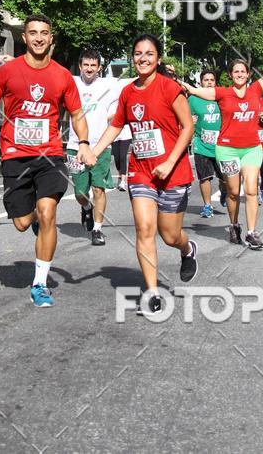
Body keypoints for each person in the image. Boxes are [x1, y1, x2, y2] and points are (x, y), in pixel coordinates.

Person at [0, 14, 93, 308]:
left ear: (51, 38)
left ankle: (40, 283)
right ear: (25, 38)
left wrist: (83, 142)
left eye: (44, 32)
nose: (39, 37)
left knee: (47, 212)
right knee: (21, 222)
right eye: (33, 33)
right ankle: (33, 222)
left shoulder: (62, 75)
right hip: (15, 155)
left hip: (50, 154)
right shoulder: (9, 71)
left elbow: (77, 114)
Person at [90, 34, 197, 316]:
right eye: (138, 53)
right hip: (141, 172)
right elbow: (116, 126)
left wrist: (170, 162)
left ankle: (187, 250)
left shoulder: (169, 88)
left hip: (173, 172)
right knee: (145, 229)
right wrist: (95, 150)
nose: (143, 58)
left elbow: (187, 128)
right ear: (132, 58)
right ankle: (151, 292)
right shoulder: (128, 92)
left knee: (170, 235)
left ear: (158, 58)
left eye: (149, 54)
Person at [181, 33, 263, 251]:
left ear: (248, 74)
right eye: (236, 72)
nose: (240, 75)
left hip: (252, 149)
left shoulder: (256, 90)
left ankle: (252, 232)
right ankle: (234, 224)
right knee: (233, 192)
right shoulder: (222, 93)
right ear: (230, 75)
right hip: (226, 149)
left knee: (251, 190)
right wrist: (184, 85)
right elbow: (198, 91)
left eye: (243, 72)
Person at [65, 48, 116, 246]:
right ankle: (86, 208)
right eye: (85, 65)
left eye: (93, 65)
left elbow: (134, 81)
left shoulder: (108, 85)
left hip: (100, 146)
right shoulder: (71, 82)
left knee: (99, 189)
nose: (89, 69)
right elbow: (46, 74)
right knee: (80, 193)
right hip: (75, 146)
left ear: (99, 68)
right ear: (80, 66)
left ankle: (97, 229)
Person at [188, 69, 226, 217]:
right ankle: (208, 205)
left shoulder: (221, 98)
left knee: (226, 178)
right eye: (206, 80)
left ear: (215, 82)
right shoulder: (193, 99)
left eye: (212, 80)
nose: (209, 82)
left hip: (221, 145)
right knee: (204, 177)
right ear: (201, 82)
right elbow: (188, 120)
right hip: (201, 144)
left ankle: (224, 191)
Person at [109, 76, 134, 192]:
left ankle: (123, 180)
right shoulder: (110, 104)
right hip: (113, 133)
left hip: (125, 132)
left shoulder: (127, 100)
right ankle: (120, 175)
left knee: (123, 156)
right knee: (117, 157)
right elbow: (107, 117)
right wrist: (116, 116)